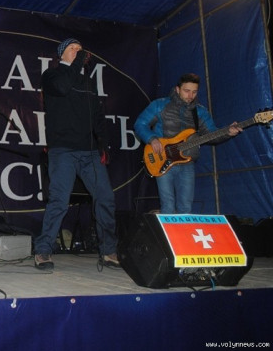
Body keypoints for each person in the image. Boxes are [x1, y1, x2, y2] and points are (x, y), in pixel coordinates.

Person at [34, 38, 119, 270]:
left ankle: (109, 251)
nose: (78, 51)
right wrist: (78, 62)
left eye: (80, 49)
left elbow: (98, 115)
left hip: (89, 151)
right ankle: (43, 250)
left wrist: (103, 144)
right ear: (61, 54)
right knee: (59, 200)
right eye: (72, 49)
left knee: (105, 198)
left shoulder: (87, 82)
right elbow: (63, 87)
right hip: (63, 149)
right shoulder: (52, 75)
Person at [133, 73, 241, 214]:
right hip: (162, 160)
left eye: (194, 92)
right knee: (168, 206)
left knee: (186, 208)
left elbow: (212, 134)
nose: (190, 95)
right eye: (187, 91)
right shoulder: (159, 105)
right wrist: (152, 139)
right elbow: (140, 124)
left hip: (187, 162)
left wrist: (228, 132)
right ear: (177, 89)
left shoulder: (200, 112)